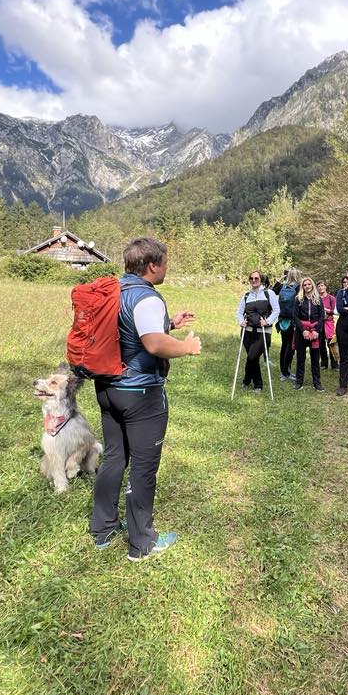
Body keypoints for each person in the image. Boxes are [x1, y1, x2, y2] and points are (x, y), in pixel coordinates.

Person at [90, 237, 202, 561]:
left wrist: (170, 323)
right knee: (143, 469)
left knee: (114, 458)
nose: (167, 268)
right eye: (165, 262)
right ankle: (142, 544)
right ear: (152, 266)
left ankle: (103, 529)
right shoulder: (147, 297)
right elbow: (153, 344)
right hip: (140, 395)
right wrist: (186, 346)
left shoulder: (115, 292)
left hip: (108, 390)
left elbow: (128, 330)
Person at [236, 270, 279, 393]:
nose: (254, 280)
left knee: (252, 356)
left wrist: (268, 321)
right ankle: (252, 382)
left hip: (263, 332)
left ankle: (252, 381)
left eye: (256, 278)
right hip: (247, 331)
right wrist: (241, 321)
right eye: (251, 278)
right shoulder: (246, 295)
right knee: (253, 358)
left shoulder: (268, 293)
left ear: (261, 280)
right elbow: (239, 311)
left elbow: (276, 310)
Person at [292, 277, 325, 391]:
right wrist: (303, 330)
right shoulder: (298, 299)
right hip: (302, 332)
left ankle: (317, 383)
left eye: (309, 284)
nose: (307, 286)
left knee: (315, 359)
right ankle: (299, 382)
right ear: (302, 287)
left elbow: (322, 316)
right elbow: (295, 316)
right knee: (300, 358)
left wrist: (316, 331)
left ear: (312, 286)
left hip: (315, 332)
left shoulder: (318, 299)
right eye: (305, 285)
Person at [275, 269, 301, 380]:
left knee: (284, 345)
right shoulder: (299, 287)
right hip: (293, 320)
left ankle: (283, 371)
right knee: (291, 346)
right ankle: (286, 372)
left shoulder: (282, 286)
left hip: (282, 320)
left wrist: (280, 279)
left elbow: (272, 291)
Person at [317, 280, 338, 370]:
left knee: (331, 343)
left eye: (322, 285)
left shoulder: (331, 298)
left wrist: (326, 310)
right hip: (319, 323)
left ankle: (334, 364)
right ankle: (324, 363)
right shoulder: (316, 298)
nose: (321, 287)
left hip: (329, 323)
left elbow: (335, 311)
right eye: (319, 286)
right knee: (320, 344)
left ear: (325, 287)